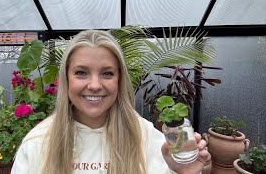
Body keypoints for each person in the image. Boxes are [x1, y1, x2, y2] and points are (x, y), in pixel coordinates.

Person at [11, 30, 211, 174]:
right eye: (81, 73)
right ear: (66, 79)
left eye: (107, 73)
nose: (95, 85)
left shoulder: (145, 136)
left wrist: (184, 172)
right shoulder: (38, 143)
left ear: (119, 80)